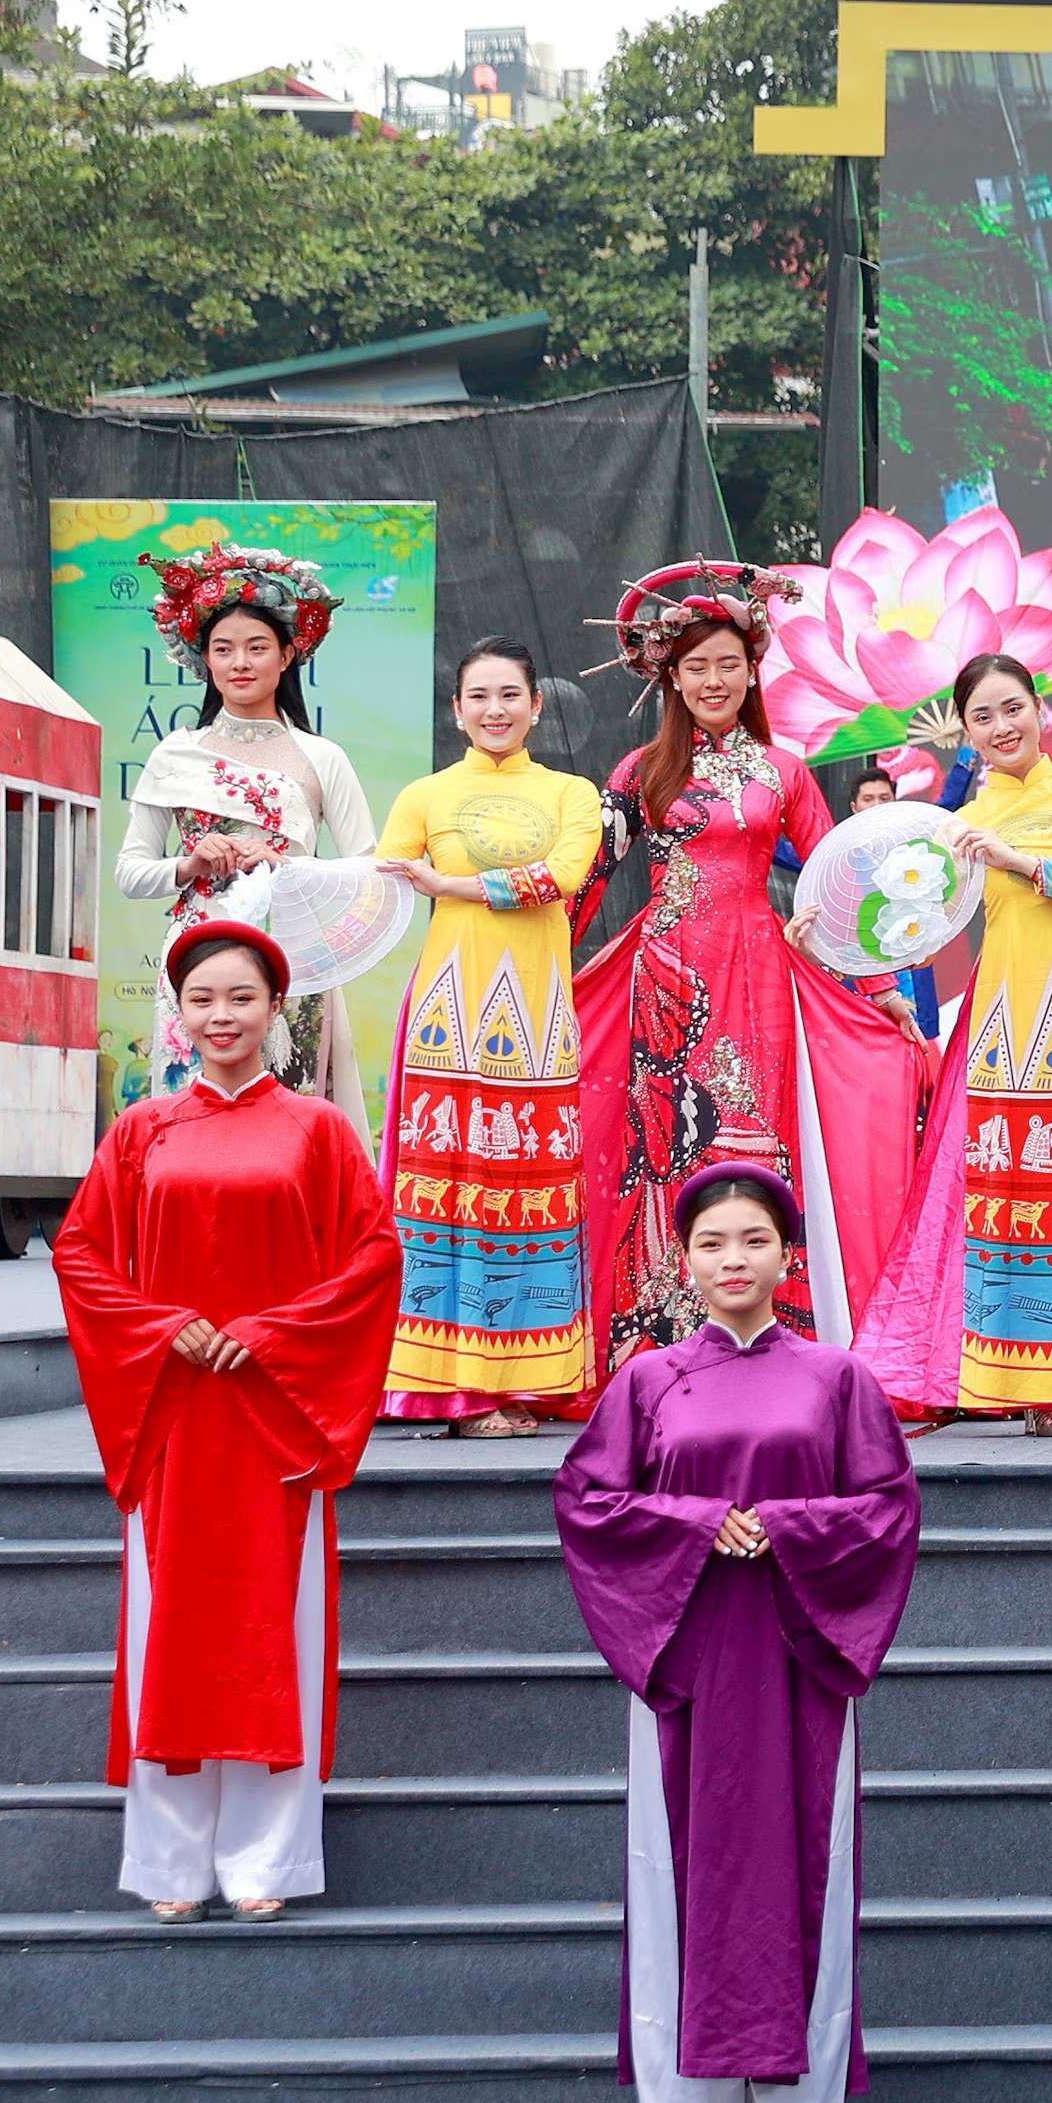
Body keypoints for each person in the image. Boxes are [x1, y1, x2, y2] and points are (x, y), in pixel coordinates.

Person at [553, 1162, 921, 2103]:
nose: (733, 1261)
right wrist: (699, 1525)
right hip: (688, 1652)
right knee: (678, 1881)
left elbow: (888, 1505)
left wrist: (792, 1529)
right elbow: (588, 1501)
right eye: (713, 1244)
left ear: (785, 1254)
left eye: (753, 1241)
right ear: (684, 1259)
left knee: (808, 1873)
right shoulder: (647, 1380)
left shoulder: (836, 1379)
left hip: (799, 1651)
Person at [52, 923, 403, 1922]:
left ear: (273, 1009)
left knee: (272, 1637)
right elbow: (81, 1256)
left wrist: (270, 1334)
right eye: (202, 999)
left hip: (276, 1416)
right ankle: (168, 1866)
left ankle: (266, 1863)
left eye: (240, 998)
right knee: (170, 1634)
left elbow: (371, 1260)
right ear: (178, 1011)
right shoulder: (140, 1132)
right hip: (170, 1413)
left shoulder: (320, 1133)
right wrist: (165, 1328)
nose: (220, 1017)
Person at [572, 566, 936, 1368]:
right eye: (696, 665)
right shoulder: (640, 772)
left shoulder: (785, 771)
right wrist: (535, 966)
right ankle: (661, 1329)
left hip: (763, 975)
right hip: (664, 978)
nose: (713, 679)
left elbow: (839, 876)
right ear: (671, 673)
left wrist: (881, 988)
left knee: (754, 1141)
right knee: (665, 1140)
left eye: (728, 663)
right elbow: (589, 877)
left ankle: (773, 1335)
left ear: (751, 670)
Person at [855, 653, 1052, 1433]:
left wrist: (1016, 861)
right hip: (1006, 1021)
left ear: (1038, 708)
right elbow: (915, 924)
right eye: (982, 717)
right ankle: (1029, 1386)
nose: (1001, 726)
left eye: (1012, 707)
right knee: (1018, 1205)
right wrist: (837, 942)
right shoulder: (956, 825)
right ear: (966, 732)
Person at [370, 641, 607, 1436]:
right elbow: (380, 882)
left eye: (511, 694)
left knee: (526, 1189)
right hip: (448, 1012)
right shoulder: (425, 794)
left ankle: (526, 1376)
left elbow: (564, 878)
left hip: (538, 1014)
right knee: (448, 1190)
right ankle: (452, 1387)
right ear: (457, 709)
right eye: (479, 696)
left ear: (538, 705)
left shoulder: (573, 792)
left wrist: (453, 884)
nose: (495, 709)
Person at [109, 543, 379, 1115]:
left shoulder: (321, 757)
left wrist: (288, 867)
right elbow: (131, 873)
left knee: (289, 1113)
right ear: (203, 659)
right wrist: (189, 864)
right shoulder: (176, 754)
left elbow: (370, 871)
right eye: (223, 649)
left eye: (257, 648)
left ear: (286, 656)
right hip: (196, 957)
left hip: (293, 956)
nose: (240, 663)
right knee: (194, 1112)